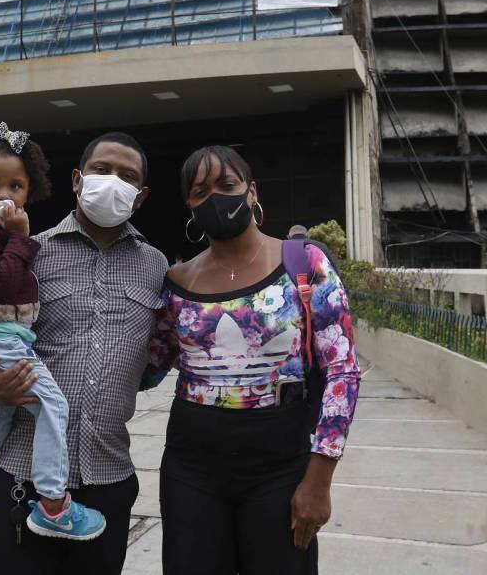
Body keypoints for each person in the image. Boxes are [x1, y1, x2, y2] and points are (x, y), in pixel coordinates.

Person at [0, 131, 166, 575]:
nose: (112, 181)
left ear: (140, 196)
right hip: (18, 480)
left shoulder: (156, 266)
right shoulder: (27, 252)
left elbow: (156, 360)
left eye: (127, 176)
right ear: (77, 179)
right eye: (102, 170)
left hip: (108, 479)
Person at [145, 146, 360, 575]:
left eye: (227, 186)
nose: (216, 199)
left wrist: (320, 478)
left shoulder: (303, 264)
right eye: (200, 191)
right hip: (191, 470)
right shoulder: (175, 282)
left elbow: (343, 369)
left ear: (251, 191)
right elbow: (150, 366)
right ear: (189, 204)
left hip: (282, 467)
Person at [0, 123, 109, 571]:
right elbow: (3, 280)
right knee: (53, 405)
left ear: (31, 188)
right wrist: (21, 236)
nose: (3, 194)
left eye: (15, 185)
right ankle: (53, 503)